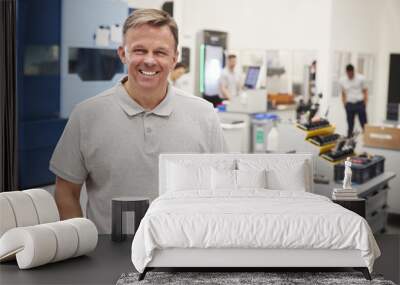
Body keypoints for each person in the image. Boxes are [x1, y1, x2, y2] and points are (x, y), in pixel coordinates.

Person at [50, 9, 226, 234]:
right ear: (123, 54)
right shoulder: (86, 115)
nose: (150, 60)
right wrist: (81, 245)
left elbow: (222, 189)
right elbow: (66, 191)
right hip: (108, 259)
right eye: (140, 50)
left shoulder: (204, 115)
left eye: (160, 52)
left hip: (185, 255)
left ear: (174, 58)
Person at [339, 64, 368, 138]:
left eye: (351, 73)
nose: (350, 75)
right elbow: (343, 93)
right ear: (346, 72)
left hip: (360, 103)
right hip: (349, 104)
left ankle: (367, 139)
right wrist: (344, 104)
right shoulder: (342, 80)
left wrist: (365, 103)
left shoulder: (361, 78)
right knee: (350, 124)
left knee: (364, 124)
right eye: (348, 73)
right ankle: (349, 140)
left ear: (353, 71)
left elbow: (365, 91)